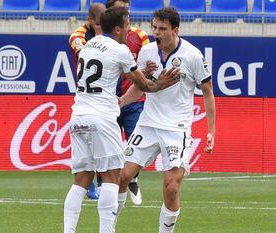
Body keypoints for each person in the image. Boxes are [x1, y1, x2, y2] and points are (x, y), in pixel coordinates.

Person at [63, 6, 180, 233]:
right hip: (102, 118)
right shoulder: (121, 50)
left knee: (81, 179)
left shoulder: (88, 45)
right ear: (117, 29)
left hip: (78, 116)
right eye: (127, 25)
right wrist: (161, 81)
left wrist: (142, 72)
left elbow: (114, 73)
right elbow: (145, 86)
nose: (130, 30)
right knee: (112, 177)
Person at [113, 7, 216, 233]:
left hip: (176, 129)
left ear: (175, 30)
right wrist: (121, 101)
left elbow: (208, 91)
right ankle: (109, 227)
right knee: (121, 175)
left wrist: (211, 131)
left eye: (162, 29)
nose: (156, 33)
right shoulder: (147, 52)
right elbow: (140, 88)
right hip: (148, 124)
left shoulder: (193, 55)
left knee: (171, 187)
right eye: (154, 28)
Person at [105, 0, 153, 206]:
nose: (127, 11)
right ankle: (110, 185)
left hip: (132, 99)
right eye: (121, 8)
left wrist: (148, 75)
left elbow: (144, 63)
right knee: (111, 148)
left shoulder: (140, 36)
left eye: (128, 7)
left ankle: (132, 179)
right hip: (108, 102)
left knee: (136, 143)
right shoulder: (104, 40)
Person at [69, 2, 106, 200]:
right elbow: (86, 54)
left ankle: (101, 181)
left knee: (103, 142)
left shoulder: (106, 33)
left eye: (103, 24)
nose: (100, 28)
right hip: (85, 95)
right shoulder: (77, 36)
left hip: (105, 95)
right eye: (98, 24)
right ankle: (87, 183)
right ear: (90, 21)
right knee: (85, 143)